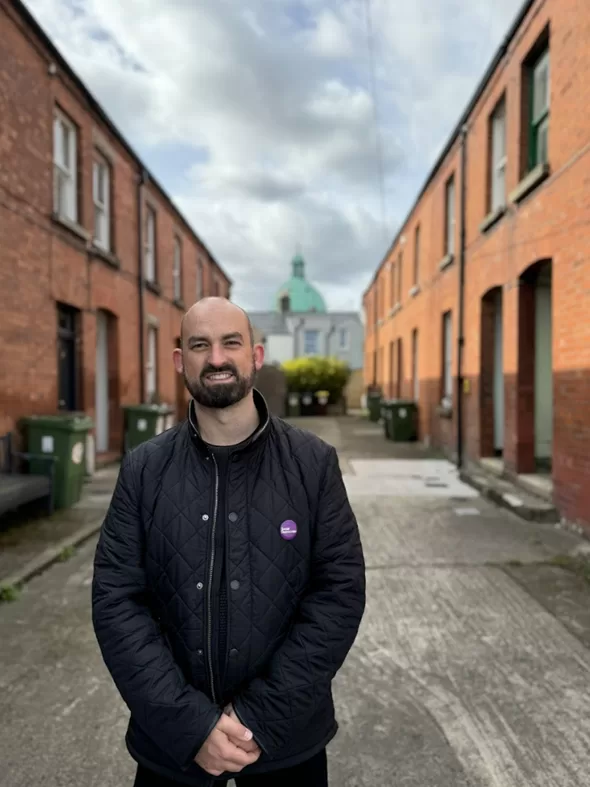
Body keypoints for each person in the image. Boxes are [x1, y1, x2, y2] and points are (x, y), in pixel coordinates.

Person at [92, 297, 366, 786]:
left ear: (255, 356)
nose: (216, 358)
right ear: (181, 361)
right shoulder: (142, 469)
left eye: (230, 343)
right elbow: (116, 601)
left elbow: (338, 594)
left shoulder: (312, 463)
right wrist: (189, 725)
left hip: (285, 742)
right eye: (200, 345)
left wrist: (260, 717)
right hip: (173, 749)